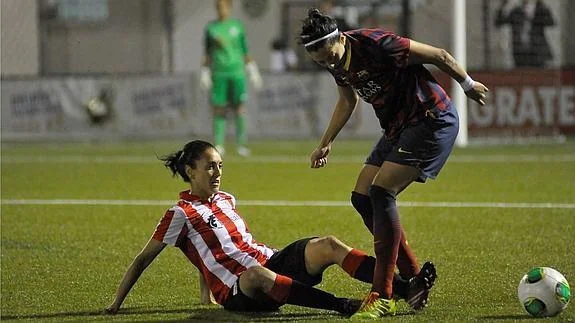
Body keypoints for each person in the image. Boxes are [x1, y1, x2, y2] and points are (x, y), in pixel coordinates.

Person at [299, 8, 488, 319]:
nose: (328, 63)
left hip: (431, 119)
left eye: (329, 56)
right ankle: (413, 279)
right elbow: (348, 99)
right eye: (320, 61)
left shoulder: (377, 45)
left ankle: (383, 294)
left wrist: (467, 84)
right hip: (399, 127)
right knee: (362, 196)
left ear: (341, 39)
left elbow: (438, 54)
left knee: (381, 192)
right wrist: (325, 142)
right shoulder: (334, 60)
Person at [105, 140, 427, 316]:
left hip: (270, 262)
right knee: (257, 275)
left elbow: (209, 251)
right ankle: (343, 305)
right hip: (240, 290)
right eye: (209, 167)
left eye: (220, 166)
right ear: (190, 171)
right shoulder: (180, 213)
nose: (217, 173)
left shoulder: (226, 199)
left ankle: (404, 289)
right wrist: (117, 303)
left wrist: (203, 291)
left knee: (327, 244)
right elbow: (144, 259)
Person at [200, 0, 263, 157]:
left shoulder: (237, 26)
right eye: (218, 7)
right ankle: (219, 144)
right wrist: (204, 71)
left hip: (237, 73)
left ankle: (241, 144)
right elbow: (207, 53)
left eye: (223, 7)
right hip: (219, 73)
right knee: (219, 108)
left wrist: (253, 70)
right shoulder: (211, 28)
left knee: (239, 108)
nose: (221, 10)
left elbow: (245, 50)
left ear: (229, 7)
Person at [495, 0, 555, 68]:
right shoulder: (516, 11)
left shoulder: (540, 9)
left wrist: (540, 5)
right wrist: (504, 5)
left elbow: (550, 22)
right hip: (520, 52)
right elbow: (499, 22)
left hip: (538, 52)